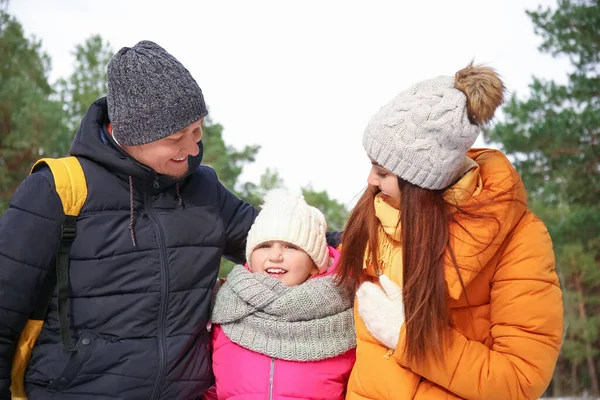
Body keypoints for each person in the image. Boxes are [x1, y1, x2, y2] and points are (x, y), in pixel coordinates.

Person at [0, 40, 260, 399]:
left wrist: (360, 239)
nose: (193, 148)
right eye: (175, 138)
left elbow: (284, 239)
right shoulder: (56, 190)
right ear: (130, 135)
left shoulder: (205, 190)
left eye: (197, 129)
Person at [336, 63, 564, 399]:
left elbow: (519, 379)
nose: (371, 180)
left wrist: (411, 339)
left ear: (422, 180)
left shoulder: (519, 239)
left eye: (382, 170)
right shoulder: (376, 216)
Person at [205, 189, 356, 400]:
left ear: (315, 264)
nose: (275, 255)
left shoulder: (346, 314)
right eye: (265, 246)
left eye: (290, 247)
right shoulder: (225, 307)